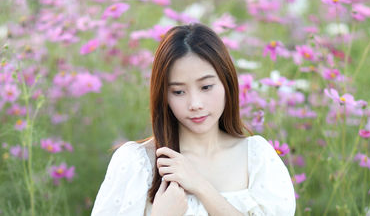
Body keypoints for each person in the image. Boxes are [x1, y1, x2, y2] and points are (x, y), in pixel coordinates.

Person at [91, 23, 296, 215]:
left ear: (227, 84)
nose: (195, 103)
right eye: (179, 92)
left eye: (206, 87)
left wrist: (201, 187)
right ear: (164, 96)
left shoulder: (257, 157)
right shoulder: (138, 163)